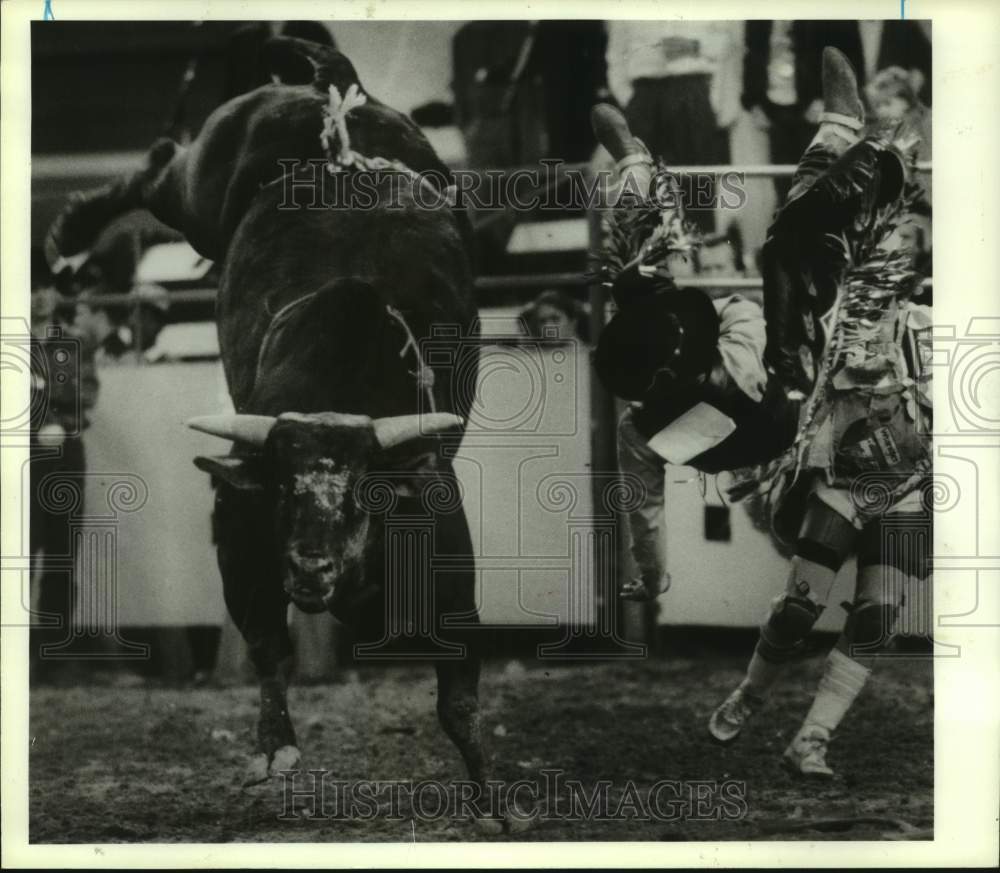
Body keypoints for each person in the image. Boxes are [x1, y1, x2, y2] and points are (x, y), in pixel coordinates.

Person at [706, 48, 932, 777]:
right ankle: (750, 690)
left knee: (876, 617)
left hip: (909, 467)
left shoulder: (921, 308)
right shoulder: (820, 298)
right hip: (844, 459)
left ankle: (813, 738)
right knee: (801, 607)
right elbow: (803, 243)